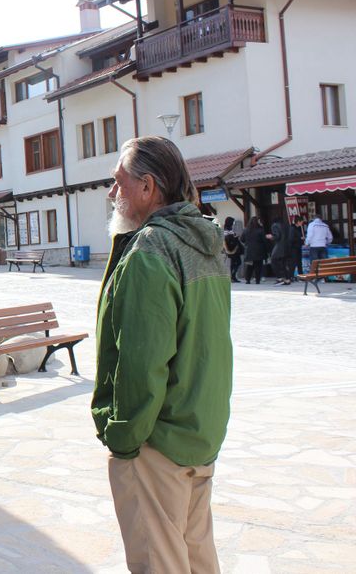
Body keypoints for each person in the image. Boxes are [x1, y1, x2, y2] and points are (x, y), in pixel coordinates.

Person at [92, 136, 232, 574]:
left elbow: (141, 363)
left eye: (119, 183)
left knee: (159, 564)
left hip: (157, 444)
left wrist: (122, 436)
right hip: (200, 431)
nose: (113, 194)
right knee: (196, 560)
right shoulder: (203, 243)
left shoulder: (150, 250)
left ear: (148, 187)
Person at [241, 216, 266, 284]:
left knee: (250, 266)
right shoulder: (260, 230)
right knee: (258, 266)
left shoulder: (246, 230)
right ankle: (257, 280)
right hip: (259, 250)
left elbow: (242, 239)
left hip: (249, 250)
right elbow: (264, 240)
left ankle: (248, 280)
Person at [270, 218, 292, 285]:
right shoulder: (287, 226)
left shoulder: (275, 225)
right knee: (284, 263)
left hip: (279, 246)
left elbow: (277, 236)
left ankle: (280, 278)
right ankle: (288, 279)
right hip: (287, 247)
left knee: (273, 261)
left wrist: (271, 237)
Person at [222, 216, 243, 283]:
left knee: (234, 263)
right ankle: (232, 276)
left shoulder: (229, 229)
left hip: (233, 249)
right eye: (232, 222)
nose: (233, 224)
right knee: (237, 262)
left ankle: (232, 277)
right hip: (232, 249)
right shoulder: (226, 230)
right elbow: (227, 239)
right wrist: (235, 237)